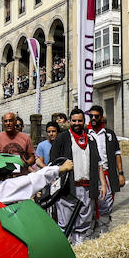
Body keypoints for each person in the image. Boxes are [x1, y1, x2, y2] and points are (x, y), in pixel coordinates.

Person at [48, 109, 106, 245]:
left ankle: (79, 251)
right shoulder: (62, 138)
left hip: (87, 188)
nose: (77, 123)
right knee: (65, 224)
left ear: (84, 121)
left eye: (80, 120)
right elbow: (53, 163)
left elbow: (99, 164)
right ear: (70, 121)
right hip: (68, 189)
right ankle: (65, 252)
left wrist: (103, 184)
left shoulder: (90, 139)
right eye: (74, 120)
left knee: (83, 223)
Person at [87, 105, 123, 229]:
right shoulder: (85, 134)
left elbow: (117, 154)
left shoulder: (109, 134)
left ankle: (104, 230)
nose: (93, 118)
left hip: (107, 174)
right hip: (90, 175)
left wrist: (121, 174)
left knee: (106, 204)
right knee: (90, 205)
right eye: (90, 116)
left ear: (101, 117)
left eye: (96, 116)